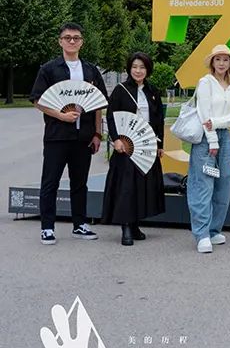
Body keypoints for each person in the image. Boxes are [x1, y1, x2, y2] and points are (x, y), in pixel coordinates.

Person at [30, 22, 108, 245]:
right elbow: (38, 101)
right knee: (50, 182)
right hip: (57, 135)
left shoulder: (91, 70)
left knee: (79, 183)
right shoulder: (49, 69)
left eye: (76, 38)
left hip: (83, 137)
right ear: (60, 41)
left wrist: (97, 133)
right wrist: (60, 115)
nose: (72, 41)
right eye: (67, 38)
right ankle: (47, 227)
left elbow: (97, 104)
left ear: (82, 42)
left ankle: (80, 224)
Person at [101, 52, 166, 245]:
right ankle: (126, 227)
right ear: (129, 68)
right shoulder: (120, 90)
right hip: (126, 147)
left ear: (148, 70)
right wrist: (116, 140)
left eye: (142, 67)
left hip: (146, 147)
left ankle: (136, 223)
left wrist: (160, 145)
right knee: (126, 187)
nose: (138, 71)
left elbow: (158, 120)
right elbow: (111, 117)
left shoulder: (153, 91)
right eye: (135, 67)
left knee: (142, 186)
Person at [189, 44, 230, 254]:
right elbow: (204, 114)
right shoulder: (205, 83)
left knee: (223, 182)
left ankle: (214, 229)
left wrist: (217, 124)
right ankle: (201, 233)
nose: (221, 63)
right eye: (218, 59)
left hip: (224, 135)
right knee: (202, 184)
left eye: (225, 59)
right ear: (212, 62)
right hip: (205, 138)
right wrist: (212, 140)